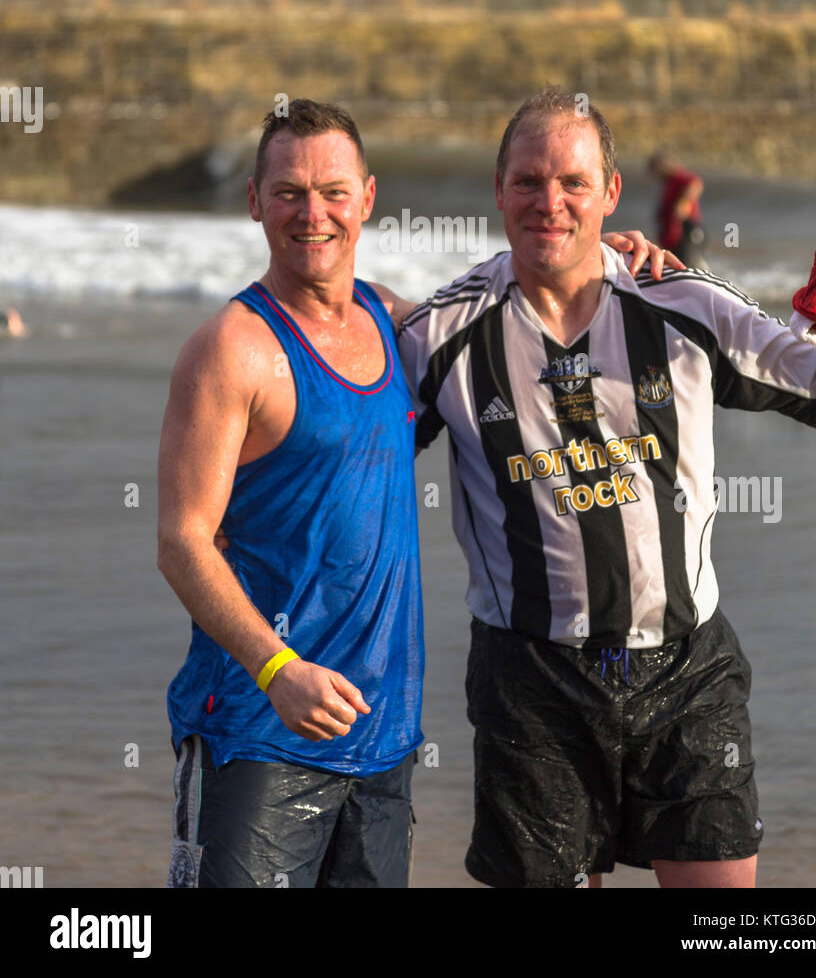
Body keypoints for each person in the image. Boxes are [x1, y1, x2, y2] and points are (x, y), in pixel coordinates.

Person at [160, 96, 670, 889]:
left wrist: (606, 256)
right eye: (288, 192)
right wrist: (276, 668)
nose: (312, 213)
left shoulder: (397, 324)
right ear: (255, 202)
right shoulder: (232, 350)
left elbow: (520, 314)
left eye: (333, 191)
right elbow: (182, 541)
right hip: (259, 731)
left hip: (381, 737)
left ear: (367, 197)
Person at [394, 87, 816, 889]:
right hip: (530, 684)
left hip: (689, 672)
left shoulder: (683, 303)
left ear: (611, 193)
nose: (551, 202)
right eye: (528, 182)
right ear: (498, 190)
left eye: (574, 182)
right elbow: (349, 456)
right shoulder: (442, 338)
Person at [648, 150, 706, 268]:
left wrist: (683, 203)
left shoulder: (678, 176)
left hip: (687, 231)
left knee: (688, 268)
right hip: (673, 237)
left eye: (654, 169)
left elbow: (695, 183)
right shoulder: (668, 182)